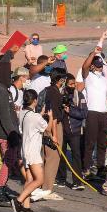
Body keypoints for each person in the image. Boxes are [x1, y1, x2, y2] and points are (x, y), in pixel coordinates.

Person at [81, 47, 107, 196]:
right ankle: (86, 168)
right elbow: (84, 66)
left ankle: (101, 169)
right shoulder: (88, 76)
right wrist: (93, 53)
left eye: (101, 64)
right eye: (97, 64)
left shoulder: (104, 78)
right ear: (93, 66)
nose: (100, 67)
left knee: (102, 143)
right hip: (92, 112)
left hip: (103, 113)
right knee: (90, 142)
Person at [11, 89, 52, 212]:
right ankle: (18, 201)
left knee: (29, 180)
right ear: (35, 101)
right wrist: (50, 117)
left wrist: (40, 115)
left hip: (24, 150)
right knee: (39, 180)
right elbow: (48, 129)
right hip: (33, 152)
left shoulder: (23, 113)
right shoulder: (35, 117)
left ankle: (26, 208)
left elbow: (32, 123)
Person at [0, 58, 20, 206]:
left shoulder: (1, 89)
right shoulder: (1, 92)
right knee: (8, 161)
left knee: (9, 161)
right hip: (5, 133)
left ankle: (1, 186)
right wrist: (12, 134)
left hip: (7, 131)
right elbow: (4, 116)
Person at [30, 70, 66, 201]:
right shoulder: (55, 93)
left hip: (44, 125)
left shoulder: (47, 90)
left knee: (45, 157)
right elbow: (54, 116)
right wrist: (54, 135)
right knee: (53, 158)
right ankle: (47, 189)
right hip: (53, 127)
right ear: (60, 80)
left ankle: (41, 187)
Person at [62, 73, 87, 190]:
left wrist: (70, 111)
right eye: (70, 84)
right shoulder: (60, 94)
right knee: (60, 155)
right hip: (61, 131)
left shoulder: (80, 95)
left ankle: (77, 181)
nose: (73, 86)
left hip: (75, 131)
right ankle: (60, 178)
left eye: (74, 84)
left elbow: (84, 113)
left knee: (76, 155)